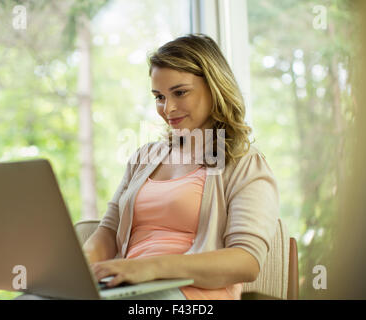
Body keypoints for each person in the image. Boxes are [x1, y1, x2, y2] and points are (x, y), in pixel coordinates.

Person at [83, 33, 280, 300]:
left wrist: (151, 268)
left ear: (214, 87)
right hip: (129, 290)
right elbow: (108, 230)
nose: (168, 108)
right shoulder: (144, 158)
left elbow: (246, 261)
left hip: (193, 296)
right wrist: (81, 266)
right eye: (159, 97)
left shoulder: (244, 162)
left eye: (180, 92)